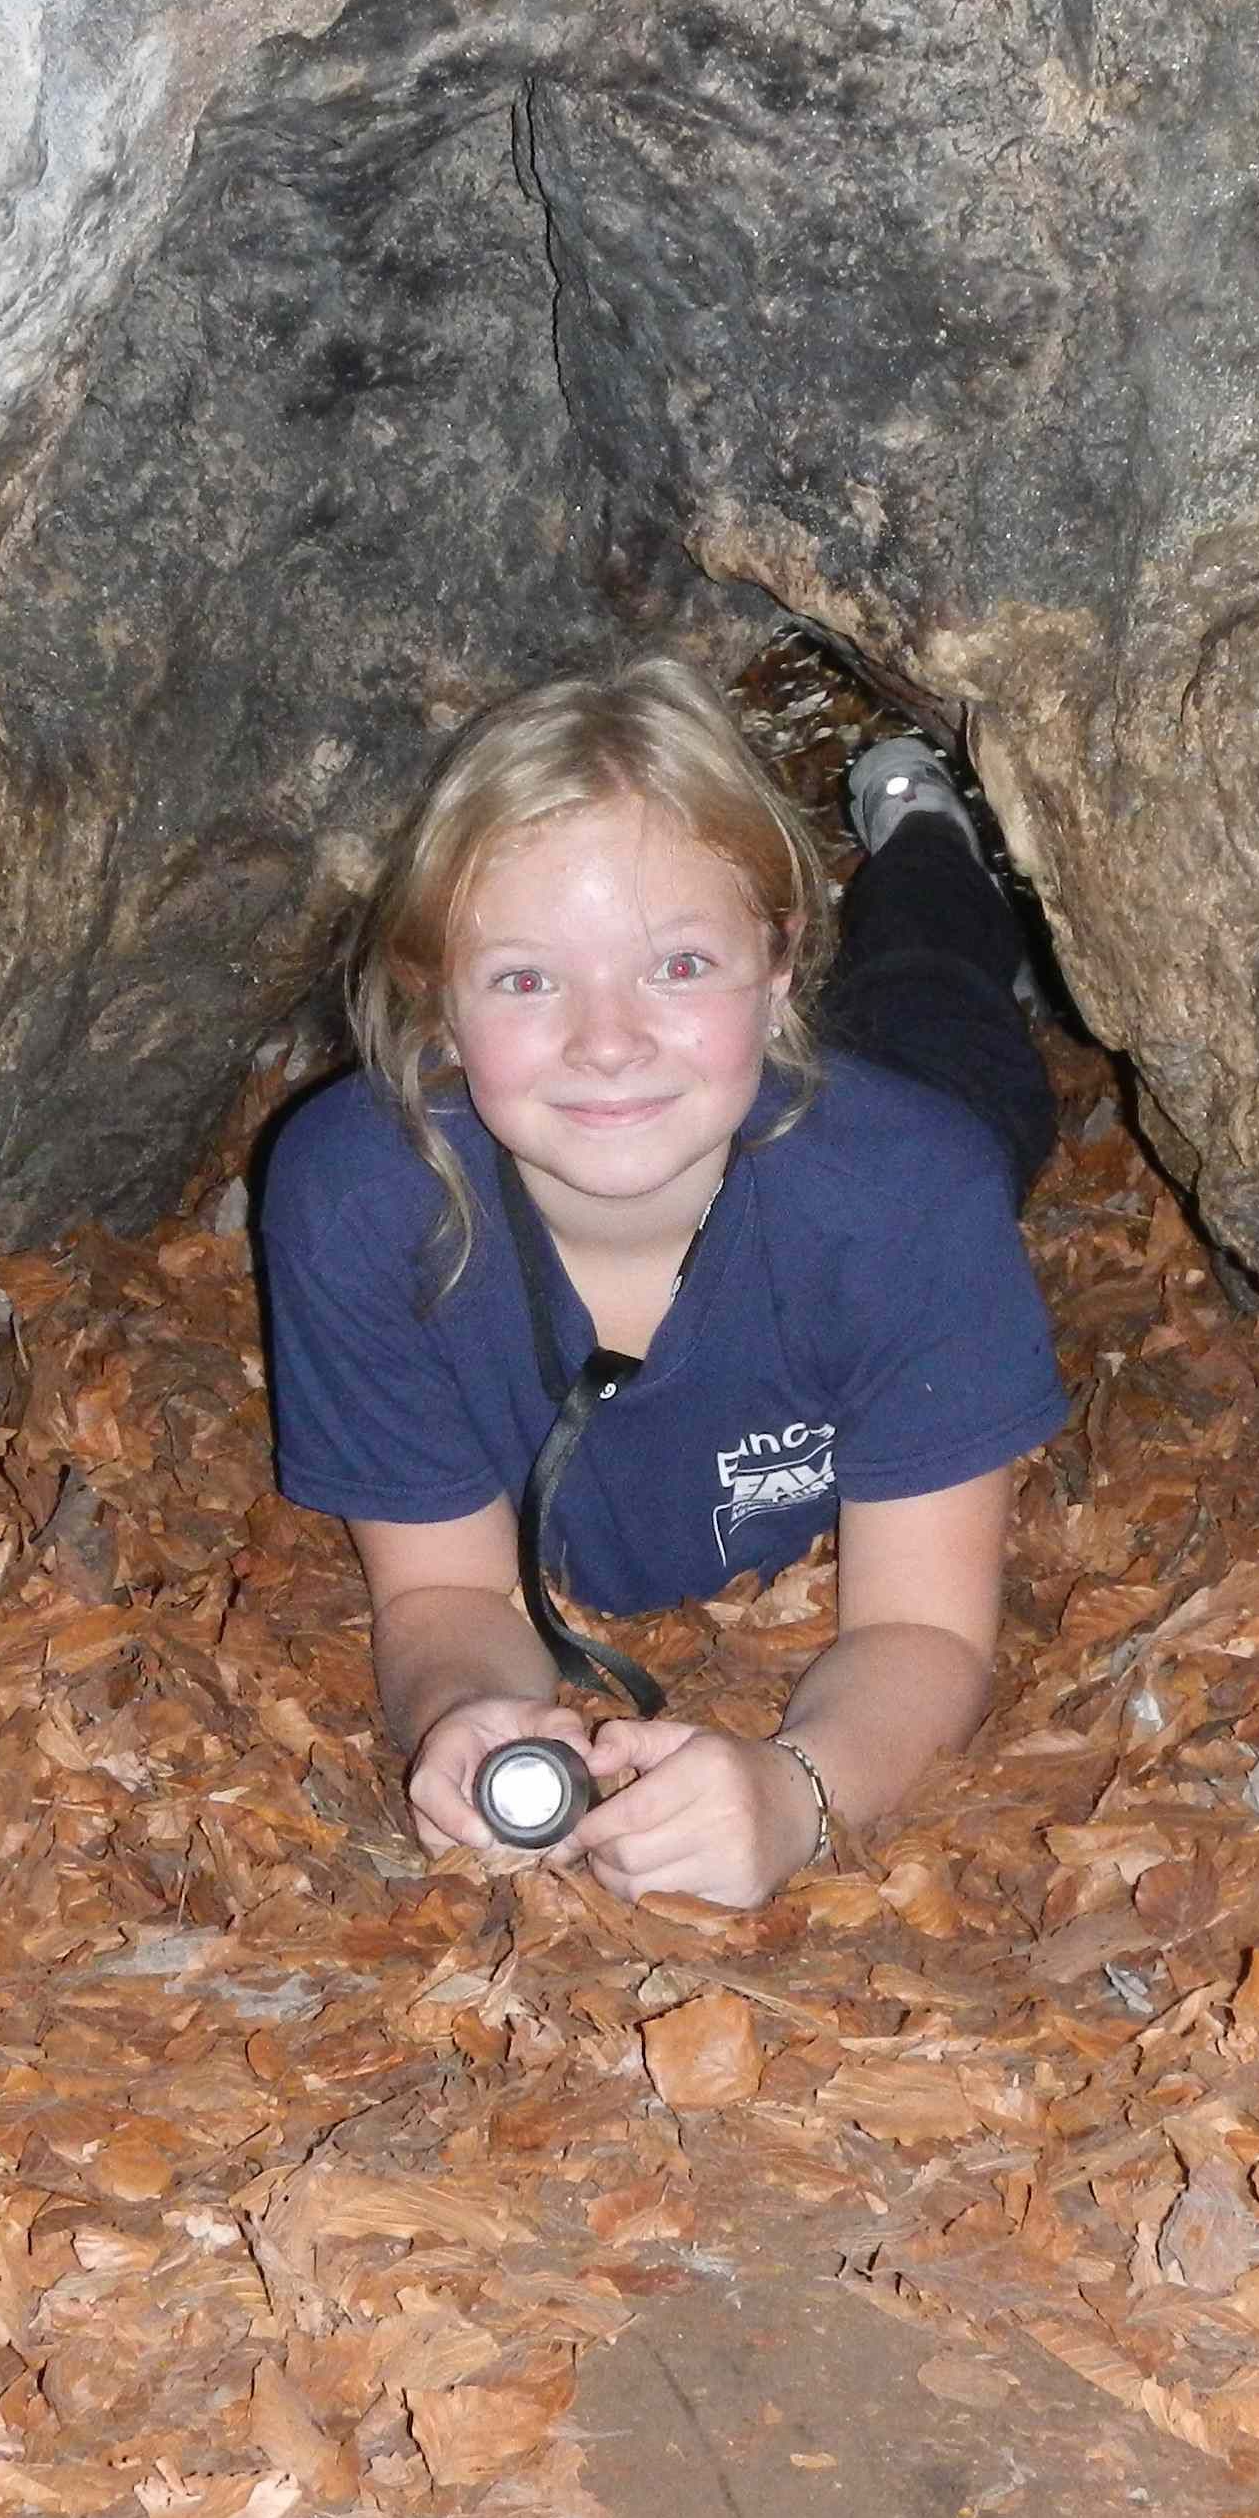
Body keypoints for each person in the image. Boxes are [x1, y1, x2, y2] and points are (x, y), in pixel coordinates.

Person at [257, 653, 1066, 1908]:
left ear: (780, 960)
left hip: (885, 1109)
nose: (608, 1038)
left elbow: (925, 1631)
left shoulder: (912, 1194)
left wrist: (796, 1794)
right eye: (526, 978)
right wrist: (472, 1713)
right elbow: (445, 1588)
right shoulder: (360, 1198)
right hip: (769, 1102)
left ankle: (925, 847)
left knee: (939, 1002)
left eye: (679, 963)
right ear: (437, 1008)